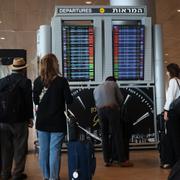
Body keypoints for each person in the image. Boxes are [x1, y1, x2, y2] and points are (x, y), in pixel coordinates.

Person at [33, 53, 73, 180]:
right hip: (57, 121)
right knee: (54, 151)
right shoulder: (62, 81)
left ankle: (46, 176)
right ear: (55, 65)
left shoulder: (37, 81)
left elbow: (35, 101)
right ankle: (53, 177)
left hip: (42, 122)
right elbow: (69, 100)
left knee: (43, 151)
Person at [0, 57, 34, 180]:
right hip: (20, 120)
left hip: (3, 120)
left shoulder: (2, 81)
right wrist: (30, 118)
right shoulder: (26, 82)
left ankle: (5, 173)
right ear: (23, 69)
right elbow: (28, 102)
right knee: (19, 147)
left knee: (5, 149)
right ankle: (17, 174)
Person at [93, 76, 133, 167]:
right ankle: (122, 160)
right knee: (117, 134)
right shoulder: (114, 84)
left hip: (100, 111)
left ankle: (107, 160)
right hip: (111, 109)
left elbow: (96, 101)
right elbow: (121, 99)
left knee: (104, 135)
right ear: (114, 81)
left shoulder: (96, 88)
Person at [163, 63, 180, 168]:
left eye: (167, 71)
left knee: (172, 137)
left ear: (171, 71)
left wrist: (166, 111)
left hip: (173, 113)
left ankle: (175, 162)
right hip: (179, 112)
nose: (166, 73)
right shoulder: (179, 81)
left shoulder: (173, 81)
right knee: (177, 136)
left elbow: (170, 98)